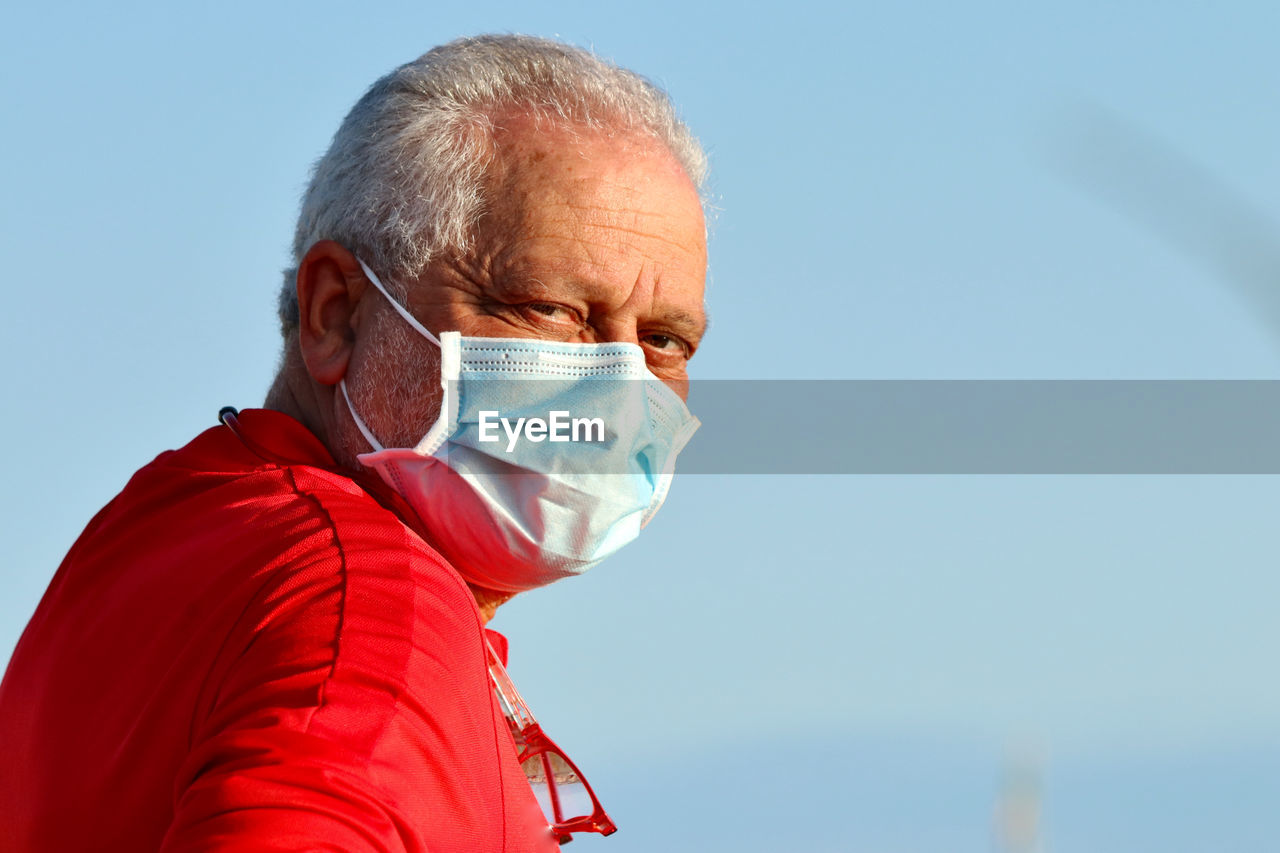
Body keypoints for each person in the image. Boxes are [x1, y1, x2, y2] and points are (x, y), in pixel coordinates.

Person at [0, 34, 708, 852]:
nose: (617, 386)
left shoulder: (164, 525)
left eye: (663, 340)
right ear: (336, 313)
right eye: (547, 308)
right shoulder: (364, 603)